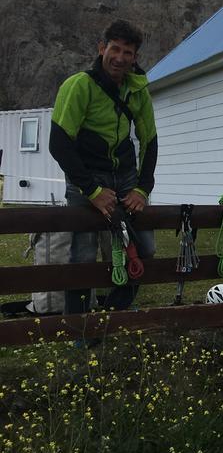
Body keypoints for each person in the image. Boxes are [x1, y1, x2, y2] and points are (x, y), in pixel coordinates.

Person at [49, 20, 158, 314]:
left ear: (135, 58)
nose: (120, 58)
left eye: (128, 53)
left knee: (145, 248)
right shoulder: (78, 86)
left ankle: (111, 315)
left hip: (125, 176)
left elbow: (149, 140)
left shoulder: (137, 90)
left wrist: (142, 188)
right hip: (85, 177)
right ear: (102, 49)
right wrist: (93, 191)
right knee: (83, 256)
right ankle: (80, 328)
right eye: (115, 49)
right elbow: (59, 144)